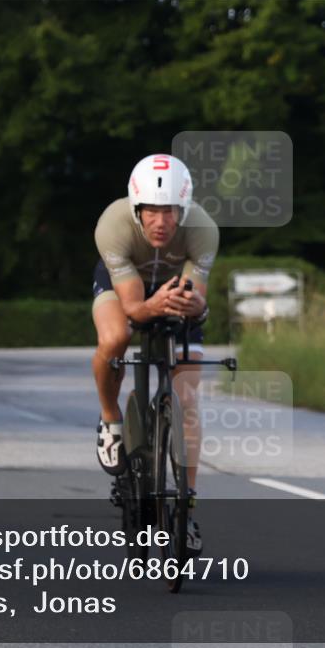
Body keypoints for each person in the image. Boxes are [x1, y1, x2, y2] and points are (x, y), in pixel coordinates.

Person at [92, 153, 218, 553]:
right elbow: (133, 309)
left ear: (184, 209)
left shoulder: (204, 229)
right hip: (124, 283)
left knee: (187, 397)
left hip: (174, 286)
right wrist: (151, 307)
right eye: (151, 212)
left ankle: (188, 507)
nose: (161, 222)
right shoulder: (113, 225)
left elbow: (199, 300)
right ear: (136, 209)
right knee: (114, 339)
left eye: (170, 211)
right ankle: (111, 419)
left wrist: (196, 306)